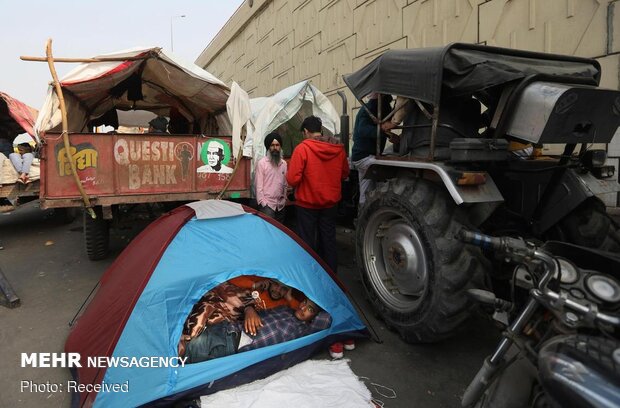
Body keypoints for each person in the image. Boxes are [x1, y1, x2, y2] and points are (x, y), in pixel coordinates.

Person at [286, 116, 349, 273]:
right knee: (328, 240)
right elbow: (345, 174)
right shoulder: (338, 149)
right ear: (320, 130)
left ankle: (310, 275)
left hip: (307, 204)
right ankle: (330, 276)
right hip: (330, 205)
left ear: (306, 131)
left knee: (306, 241)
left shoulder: (302, 149)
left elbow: (293, 179)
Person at [184, 298, 331, 363]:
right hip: (228, 328)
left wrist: (295, 297)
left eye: (310, 309)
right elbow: (257, 312)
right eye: (304, 302)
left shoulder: (304, 331)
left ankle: (161, 365)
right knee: (184, 345)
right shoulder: (285, 309)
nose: (303, 307)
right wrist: (250, 310)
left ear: (314, 317)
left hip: (234, 344)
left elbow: (326, 317)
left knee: (185, 352)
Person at [351, 93, 397, 205]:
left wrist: (388, 135)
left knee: (366, 187)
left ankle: (364, 212)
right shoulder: (369, 109)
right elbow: (363, 130)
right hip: (364, 156)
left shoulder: (377, 108)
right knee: (368, 188)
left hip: (364, 155)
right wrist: (382, 129)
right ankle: (365, 212)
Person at [255, 132, 287, 223]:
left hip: (280, 205)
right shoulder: (262, 163)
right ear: (268, 147)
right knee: (267, 232)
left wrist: (284, 200)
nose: (275, 148)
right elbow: (258, 187)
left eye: (277, 145)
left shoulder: (284, 164)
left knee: (280, 232)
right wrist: (264, 204)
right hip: (267, 206)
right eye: (272, 145)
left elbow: (285, 184)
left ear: (280, 146)